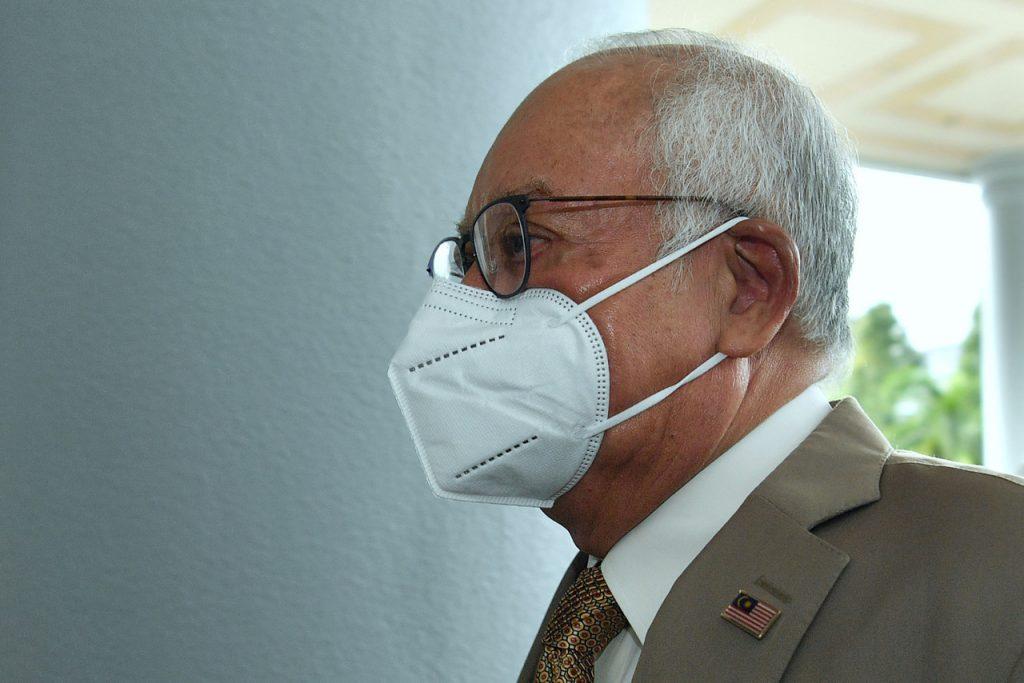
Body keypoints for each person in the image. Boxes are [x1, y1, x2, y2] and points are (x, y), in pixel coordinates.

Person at [387, 28, 1024, 682]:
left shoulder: (1000, 570)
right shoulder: (590, 614)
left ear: (748, 289)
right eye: (469, 257)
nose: (467, 298)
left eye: (520, 243)